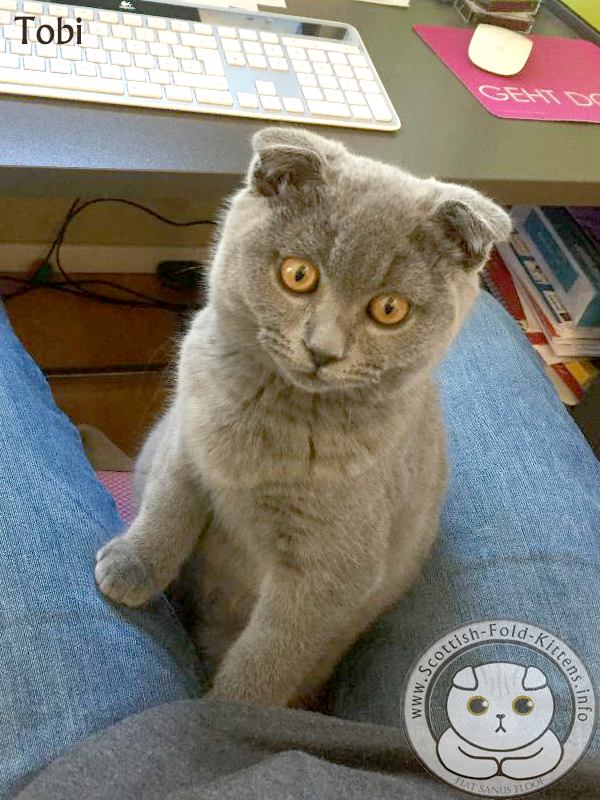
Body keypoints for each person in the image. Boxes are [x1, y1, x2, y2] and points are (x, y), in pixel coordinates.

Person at [1, 291, 599, 800]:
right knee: (476, 330)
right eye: (300, 277)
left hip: (101, 777)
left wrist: (233, 720)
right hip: (498, 776)